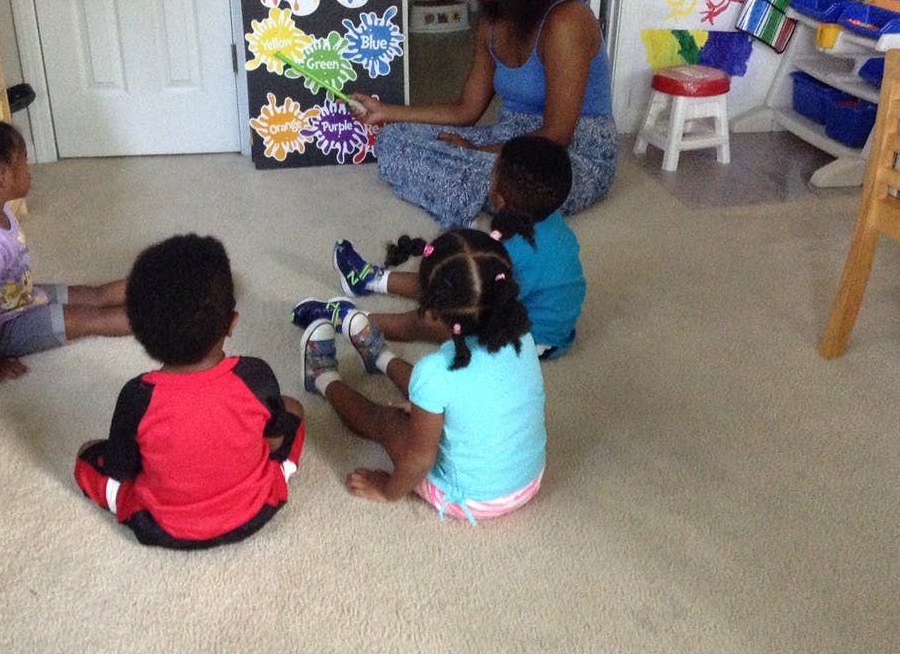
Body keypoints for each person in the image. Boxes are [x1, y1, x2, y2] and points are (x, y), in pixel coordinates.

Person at [350, 0, 617, 228]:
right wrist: (385, 111)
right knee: (394, 139)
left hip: (564, 158)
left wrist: (477, 152)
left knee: (502, 183)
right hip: (509, 136)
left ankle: (471, 196)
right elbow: (466, 110)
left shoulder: (567, 21)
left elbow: (557, 136)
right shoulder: (493, 19)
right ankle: (474, 196)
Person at [299, 228, 545, 523]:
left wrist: (388, 491)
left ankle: (321, 377)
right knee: (430, 391)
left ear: (430, 314)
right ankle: (380, 357)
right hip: (528, 479)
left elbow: (419, 460)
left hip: (471, 497)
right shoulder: (522, 335)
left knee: (388, 420)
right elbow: (481, 395)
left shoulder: (435, 372)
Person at [75, 234, 305, 549]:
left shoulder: (136, 397)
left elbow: (123, 469)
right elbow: (274, 442)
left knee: (86, 455)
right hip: (256, 508)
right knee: (293, 410)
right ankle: (271, 474)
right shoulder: (257, 376)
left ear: (138, 333)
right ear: (232, 323)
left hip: (162, 526)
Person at [293, 136, 586, 360]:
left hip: (531, 338)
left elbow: (473, 298)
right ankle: (370, 279)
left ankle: (353, 322)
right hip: (518, 305)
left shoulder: (515, 251)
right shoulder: (548, 221)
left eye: (494, 170)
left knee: (432, 321)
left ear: (498, 198)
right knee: (445, 275)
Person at [0, 116, 130, 381]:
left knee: (96, 295)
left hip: (16, 296)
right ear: (1, 178)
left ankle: (166, 284)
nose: (29, 171)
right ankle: (172, 317)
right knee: (92, 318)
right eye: (24, 163)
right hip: (0, 330)